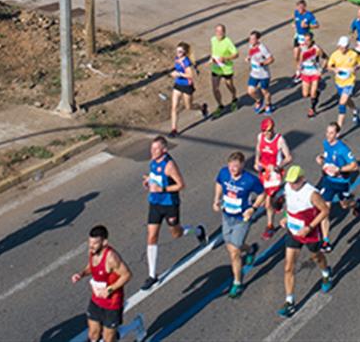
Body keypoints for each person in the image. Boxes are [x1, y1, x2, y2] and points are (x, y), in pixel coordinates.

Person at [141, 136, 205, 290]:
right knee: (151, 235)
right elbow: (155, 177)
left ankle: (198, 231)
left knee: (176, 233)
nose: (153, 151)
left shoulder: (169, 165)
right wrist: (149, 181)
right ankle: (152, 275)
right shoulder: (152, 162)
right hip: (155, 203)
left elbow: (181, 185)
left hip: (170, 204)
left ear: (164, 150)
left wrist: (162, 189)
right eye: (152, 148)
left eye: (156, 149)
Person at [278, 165, 332, 318]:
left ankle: (326, 272)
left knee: (317, 257)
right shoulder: (288, 188)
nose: (292, 185)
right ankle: (290, 302)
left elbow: (325, 211)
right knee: (288, 267)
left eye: (295, 181)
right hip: (293, 232)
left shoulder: (311, 193)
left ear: (303, 179)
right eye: (290, 182)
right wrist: (286, 218)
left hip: (310, 233)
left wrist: (309, 227)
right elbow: (291, 206)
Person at [213, 152, 265, 298]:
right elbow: (218, 183)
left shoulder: (250, 180)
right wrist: (216, 200)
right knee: (232, 244)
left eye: (236, 166)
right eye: (231, 165)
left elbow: (262, 194)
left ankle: (237, 283)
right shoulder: (224, 173)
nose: (233, 169)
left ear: (242, 165)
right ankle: (250, 250)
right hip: (226, 216)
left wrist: (253, 208)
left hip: (242, 218)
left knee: (234, 252)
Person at [70, 226, 132, 342]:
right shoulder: (93, 252)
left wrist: (109, 289)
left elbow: (127, 275)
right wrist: (81, 274)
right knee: (93, 335)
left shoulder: (112, 258)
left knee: (108, 339)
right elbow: (92, 266)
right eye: (90, 242)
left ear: (104, 242)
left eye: (95, 243)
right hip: (96, 299)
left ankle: (135, 326)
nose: (91, 246)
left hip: (112, 303)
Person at [315, 122, 360, 252]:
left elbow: (354, 166)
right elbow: (326, 154)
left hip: (341, 183)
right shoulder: (326, 143)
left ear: (337, 134)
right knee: (325, 209)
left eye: (331, 133)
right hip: (328, 181)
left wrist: (339, 170)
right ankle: (326, 241)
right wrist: (321, 157)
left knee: (344, 205)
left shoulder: (343, 149)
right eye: (327, 132)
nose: (328, 135)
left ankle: (355, 204)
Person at [255, 118, 293, 240]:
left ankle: (270, 226)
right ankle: (279, 201)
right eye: (266, 131)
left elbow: (288, 157)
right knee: (263, 197)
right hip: (264, 172)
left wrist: (278, 166)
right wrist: (257, 162)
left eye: (270, 130)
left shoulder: (279, 140)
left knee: (267, 202)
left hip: (275, 174)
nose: (268, 133)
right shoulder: (260, 137)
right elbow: (258, 150)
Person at [168, 42, 205, 138]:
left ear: (184, 52)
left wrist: (179, 74)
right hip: (178, 85)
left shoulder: (186, 62)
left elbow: (191, 75)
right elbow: (177, 69)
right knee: (174, 107)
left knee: (189, 106)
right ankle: (174, 129)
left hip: (187, 86)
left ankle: (202, 108)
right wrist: (174, 73)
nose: (178, 53)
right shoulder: (177, 59)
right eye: (177, 51)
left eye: (180, 51)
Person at [326, 36, 360, 130]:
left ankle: (338, 129)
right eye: (341, 47)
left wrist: (356, 68)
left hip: (350, 81)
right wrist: (334, 69)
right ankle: (355, 110)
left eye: (345, 47)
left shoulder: (353, 54)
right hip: (339, 81)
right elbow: (329, 66)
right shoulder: (334, 55)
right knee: (347, 100)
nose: (343, 49)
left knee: (342, 103)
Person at [209, 24, 239, 118]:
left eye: (221, 31)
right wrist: (211, 59)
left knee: (229, 86)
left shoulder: (228, 42)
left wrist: (225, 58)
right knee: (215, 88)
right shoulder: (213, 39)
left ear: (224, 32)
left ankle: (234, 98)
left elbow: (236, 54)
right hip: (216, 68)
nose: (219, 33)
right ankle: (220, 105)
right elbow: (214, 52)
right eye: (217, 31)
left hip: (226, 68)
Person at [245, 31, 275, 114]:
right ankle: (258, 100)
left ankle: (268, 105)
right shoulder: (251, 45)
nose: (251, 40)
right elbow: (251, 53)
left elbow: (271, 59)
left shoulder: (263, 48)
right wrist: (248, 58)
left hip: (263, 75)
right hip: (254, 73)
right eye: (250, 38)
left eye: (253, 39)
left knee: (264, 91)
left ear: (257, 39)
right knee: (250, 91)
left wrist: (263, 63)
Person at [297, 33, 326, 118]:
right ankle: (317, 93)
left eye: (308, 40)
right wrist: (299, 68)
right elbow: (300, 60)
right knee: (305, 94)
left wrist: (321, 70)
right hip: (305, 73)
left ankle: (312, 109)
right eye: (305, 40)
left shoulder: (317, 49)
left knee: (312, 93)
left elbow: (325, 59)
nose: (306, 42)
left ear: (312, 40)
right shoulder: (302, 48)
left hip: (314, 73)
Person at [292, 0, 319, 82]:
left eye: (301, 7)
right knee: (296, 55)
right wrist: (294, 25)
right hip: (297, 36)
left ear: (304, 7)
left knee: (302, 56)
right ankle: (299, 70)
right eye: (298, 7)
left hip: (305, 37)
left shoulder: (309, 15)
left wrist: (307, 25)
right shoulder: (296, 12)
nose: (299, 9)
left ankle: (300, 73)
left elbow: (317, 25)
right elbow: (295, 20)